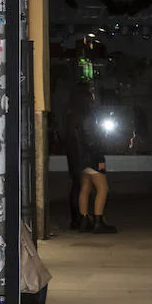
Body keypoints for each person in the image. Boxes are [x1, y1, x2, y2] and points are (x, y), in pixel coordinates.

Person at [62, 83, 93, 229]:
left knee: (78, 185)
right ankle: (80, 218)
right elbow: (80, 137)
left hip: (76, 154)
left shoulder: (72, 115)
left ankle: (79, 218)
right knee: (80, 186)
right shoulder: (78, 116)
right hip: (79, 154)